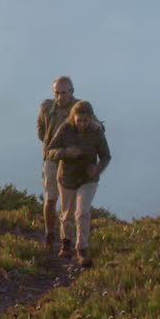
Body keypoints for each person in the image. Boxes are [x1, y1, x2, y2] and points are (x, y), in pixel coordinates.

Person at [45, 99, 111, 267]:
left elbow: (106, 156)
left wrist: (97, 169)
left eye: (85, 120)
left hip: (88, 179)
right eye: (78, 120)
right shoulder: (65, 129)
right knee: (67, 213)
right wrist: (66, 152)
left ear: (91, 119)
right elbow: (50, 151)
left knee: (82, 212)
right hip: (67, 177)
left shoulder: (96, 132)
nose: (81, 123)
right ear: (73, 118)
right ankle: (65, 244)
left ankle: (82, 249)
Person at [37, 76, 77, 252]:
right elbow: (41, 131)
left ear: (71, 92)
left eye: (64, 93)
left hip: (70, 161)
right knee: (50, 198)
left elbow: (94, 126)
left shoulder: (80, 108)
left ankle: (66, 240)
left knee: (68, 203)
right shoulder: (46, 107)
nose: (60, 97)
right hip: (51, 159)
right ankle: (49, 234)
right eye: (57, 93)